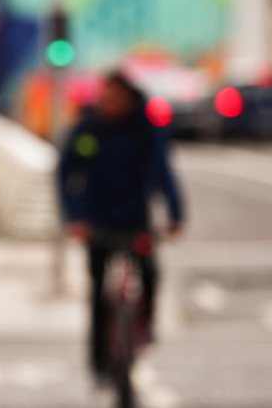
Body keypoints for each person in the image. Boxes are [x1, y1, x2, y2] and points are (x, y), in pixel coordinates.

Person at [57, 70, 184, 384]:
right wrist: (75, 217)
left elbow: (163, 173)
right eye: (106, 96)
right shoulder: (89, 130)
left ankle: (146, 326)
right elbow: (66, 172)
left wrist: (175, 215)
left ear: (129, 98)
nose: (109, 103)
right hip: (96, 222)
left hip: (134, 219)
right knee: (99, 294)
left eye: (116, 97)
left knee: (151, 274)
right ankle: (99, 362)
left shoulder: (144, 130)